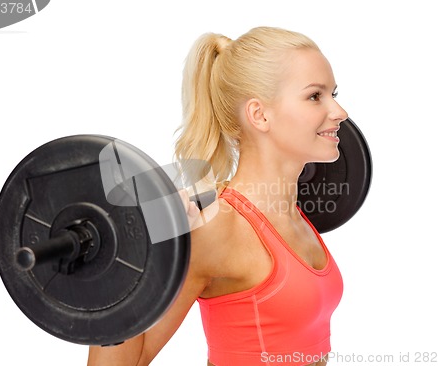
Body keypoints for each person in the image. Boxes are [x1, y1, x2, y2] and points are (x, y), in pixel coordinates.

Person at [87, 26, 347, 366]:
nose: (340, 112)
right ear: (259, 115)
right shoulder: (215, 226)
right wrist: (126, 259)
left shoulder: (297, 218)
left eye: (334, 94)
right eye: (316, 96)